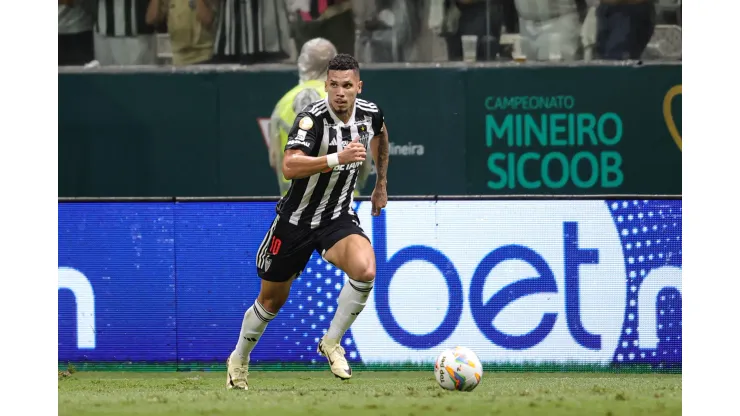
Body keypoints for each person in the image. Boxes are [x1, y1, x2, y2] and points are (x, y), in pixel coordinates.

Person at [226, 53, 390, 390]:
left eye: (347, 85)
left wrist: (381, 184)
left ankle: (331, 342)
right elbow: (290, 166)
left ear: (359, 86)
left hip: (337, 217)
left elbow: (382, 134)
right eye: (333, 85)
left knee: (366, 269)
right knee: (271, 301)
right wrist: (337, 158)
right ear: (326, 85)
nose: (340, 92)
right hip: (296, 220)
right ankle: (239, 358)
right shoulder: (311, 120)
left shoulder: (370, 113)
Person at [268, 38, 372, 197]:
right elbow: (364, 159)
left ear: (302, 63)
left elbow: (274, 160)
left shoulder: (282, 104)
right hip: (342, 207)